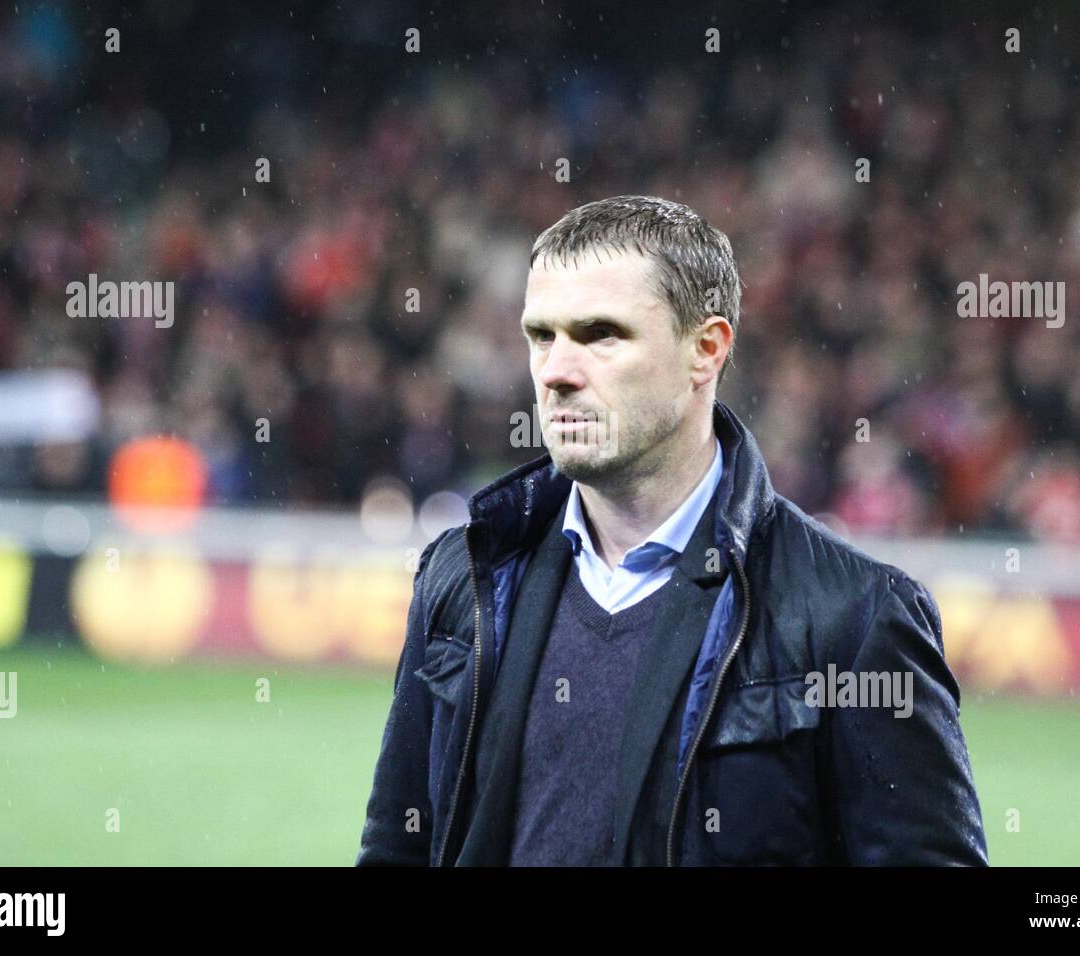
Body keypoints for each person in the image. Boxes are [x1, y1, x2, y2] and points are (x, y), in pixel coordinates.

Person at [357, 195, 987, 866]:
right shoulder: (466, 578)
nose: (556, 372)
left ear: (706, 350)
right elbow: (398, 847)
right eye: (541, 335)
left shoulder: (852, 618)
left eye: (602, 334)